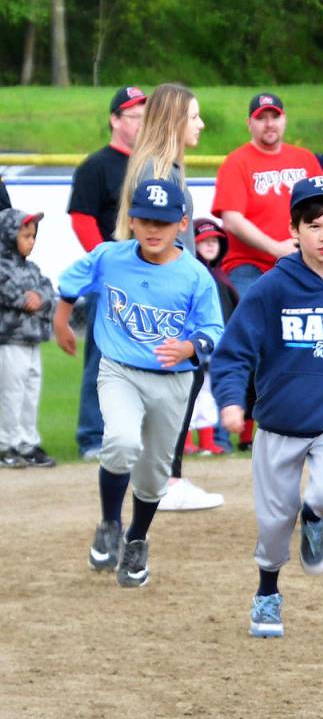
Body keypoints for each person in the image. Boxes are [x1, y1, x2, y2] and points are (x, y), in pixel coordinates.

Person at [211, 176, 323, 637]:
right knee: (274, 524)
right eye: (314, 226)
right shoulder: (272, 288)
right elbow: (234, 352)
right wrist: (233, 402)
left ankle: (315, 517)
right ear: (294, 230)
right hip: (278, 422)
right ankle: (268, 592)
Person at [55, 179, 223, 588]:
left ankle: (136, 539)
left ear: (182, 223)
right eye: (145, 220)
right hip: (120, 370)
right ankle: (110, 523)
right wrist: (61, 320)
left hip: (174, 380)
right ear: (131, 220)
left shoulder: (195, 276)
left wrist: (189, 347)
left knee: (153, 474)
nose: (153, 230)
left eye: (164, 223)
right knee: (122, 441)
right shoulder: (110, 257)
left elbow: (214, 328)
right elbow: (71, 281)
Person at [110, 83, 221, 511]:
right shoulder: (159, 171)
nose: (200, 124)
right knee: (173, 385)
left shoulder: (160, 167)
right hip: (165, 296)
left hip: (167, 292)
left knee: (179, 383)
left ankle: (163, 476)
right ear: (174, 120)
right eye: (193, 116)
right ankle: (165, 480)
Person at [67, 85, 147, 460]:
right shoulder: (96, 166)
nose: (141, 122)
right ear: (115, 120)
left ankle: (138, 433)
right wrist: (106, 263)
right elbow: (82, 220)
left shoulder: (151, 164)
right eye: (134, 115)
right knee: (102, 359)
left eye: (145, 115)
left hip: (151, 276)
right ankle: (91, 436)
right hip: (111, 278)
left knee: (147, 357)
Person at [212, 93, 323, 298]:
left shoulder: (305, 158)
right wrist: (276, 249)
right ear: (249, 123)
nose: (269, 124)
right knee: (252, 323)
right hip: (249, 266)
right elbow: (232, 220)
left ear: (285, 120)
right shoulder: (236, 162)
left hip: (304, 261)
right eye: (261, 118)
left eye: (275, 117)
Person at [0, 209, 55, 468]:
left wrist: (39, 298)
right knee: (10, 393)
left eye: (33, 236)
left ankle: (26, 442)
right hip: (9, 340)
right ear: (9, 236)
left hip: (31, 339)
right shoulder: (2, 265)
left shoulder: (32, 268)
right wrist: (28, 298)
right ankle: (5, 444)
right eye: (25, 235)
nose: (31, 241)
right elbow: (9, 293)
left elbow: (47, 289)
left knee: (30, 391)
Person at [182, 218, 239, 456]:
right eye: (204, 240)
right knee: (185, 395)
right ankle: (184, 442)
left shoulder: (221, 277)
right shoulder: (189, 276)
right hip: (190, 346)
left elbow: (233, 311)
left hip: (215, 346)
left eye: (215, 240)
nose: (210, 245)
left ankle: (207, 441)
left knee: (206, 394)